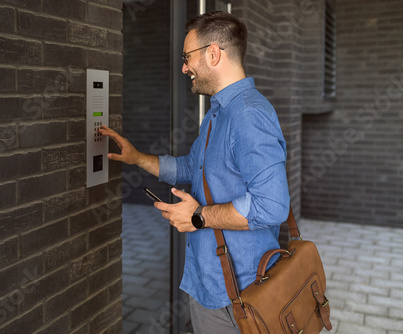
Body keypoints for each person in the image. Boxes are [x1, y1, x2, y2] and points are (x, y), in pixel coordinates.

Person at [100, 11, 290, 334]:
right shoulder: (219, 113)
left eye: (188, 57)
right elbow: (192, 167)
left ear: (214, 54)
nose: (184, 67)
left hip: (238, 297)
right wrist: (138, 158)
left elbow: (272, 205)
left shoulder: (247, 116)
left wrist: (198, 216)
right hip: (212, 287)